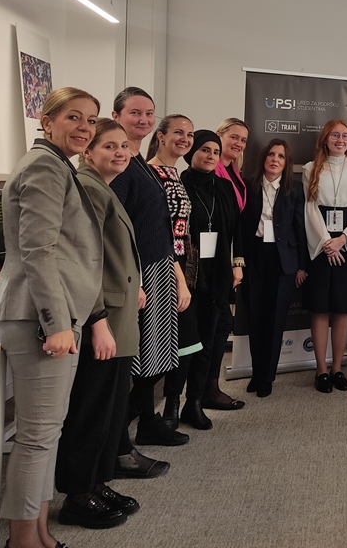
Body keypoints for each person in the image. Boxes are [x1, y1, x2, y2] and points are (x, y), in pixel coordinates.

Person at [0, 87, 104, 548]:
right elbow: (38, 250)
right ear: (47, 120)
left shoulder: (58, 165)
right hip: (40, 318)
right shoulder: (44, 166)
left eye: (91, 120)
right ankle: (22, 540)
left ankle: (39, 533)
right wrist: (56, 323)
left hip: (54, 314)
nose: (84, 127)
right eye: (73, 117)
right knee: (37, 436)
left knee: (48, 432)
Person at [55, 118, 144, 529]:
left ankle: (97, 482)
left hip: (118, 313)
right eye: (109, 145)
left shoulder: (103, 186)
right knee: (91, 410)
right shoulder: (88, 187)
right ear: (88, 151)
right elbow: (84, 261)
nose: (120, 152)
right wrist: (98, 321)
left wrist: (135, 284)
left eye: (124, 146)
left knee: (111, 408)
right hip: (103, 319)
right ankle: (78, 495)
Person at [110, 87, 191, 452]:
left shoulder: (138, 161)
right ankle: (128, 429)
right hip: (138, 271)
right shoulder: (119, 163)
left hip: (158, 267)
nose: (143, 119)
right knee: (141, 354)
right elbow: (116, 228)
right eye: (135, 113)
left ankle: (147, 421)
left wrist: (174, 273)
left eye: (148, 113)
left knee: (155, 353)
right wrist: (134, 279)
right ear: (116, 117)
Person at [180, 130, 243, 427]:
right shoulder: (180, 184)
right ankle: (176, 403)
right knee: (189, 341)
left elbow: (236, 230)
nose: (210, 156)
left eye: (215, 152)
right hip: (188, 275)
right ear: (190, 151)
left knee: (213, 335)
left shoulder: (224, 187)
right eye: (204, 149)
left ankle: (199, 397)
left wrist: (237, 264)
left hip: (218, 272)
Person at [302, 119, 347, 393]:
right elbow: (309, 208)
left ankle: (338, 368)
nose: (340, 140)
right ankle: (321, 369)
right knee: (320, 308)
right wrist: (326, 242)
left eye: (345, 136)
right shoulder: (310, 169)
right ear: (325, 139)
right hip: (320, 244)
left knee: (342, 308)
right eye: (335, 135)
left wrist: (343, 239)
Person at [146, 114, 202, 429]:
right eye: (178, 132)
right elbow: (161, 233)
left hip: (180, 265)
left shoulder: (174, 173)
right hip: (163, 267)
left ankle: (171, 408)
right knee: (168, 344)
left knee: (187, 344)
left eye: (190, 134)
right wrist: (178, 277)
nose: (185, 139)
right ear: (161, 136)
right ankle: (153, 415)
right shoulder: (151, 174)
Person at [240, 138, 307, 398]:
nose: (275, 160)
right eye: (271, 154)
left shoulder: (294, 189)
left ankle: (267, 377)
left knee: (275, 319)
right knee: (255, 317)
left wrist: (301, 266)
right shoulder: (248, 185)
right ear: (263, 158)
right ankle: (256, 373)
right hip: (254, 256)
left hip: (283, 260)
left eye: (280, 156)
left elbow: (300, 228)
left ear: (286, 163)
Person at [203, 117, 250, 410]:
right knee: (213, 328)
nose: (238, 143)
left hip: (226, 260)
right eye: (234, 137)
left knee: (221, 327)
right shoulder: (211, 171)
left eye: (243, 140)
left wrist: (237, 262)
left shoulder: (233, 172)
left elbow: (234, 224)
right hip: (211, 264)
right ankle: (202, 391)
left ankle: (210, 387)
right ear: (219, 135)